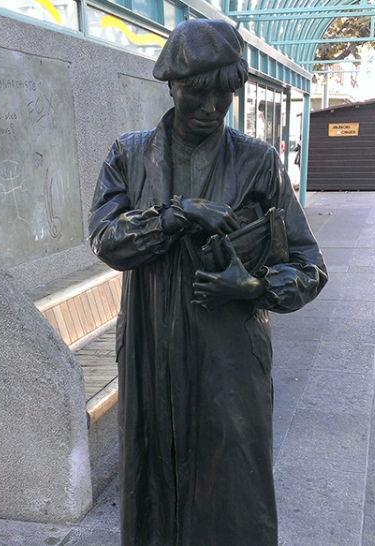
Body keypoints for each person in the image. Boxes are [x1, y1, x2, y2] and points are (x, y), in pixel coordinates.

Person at [88, 19, 328, 546]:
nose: (211, 107)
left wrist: (255, 287)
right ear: (173, 85)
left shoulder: (259, 163)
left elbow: (309, 264)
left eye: (223, 94)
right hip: (151, 353)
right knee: (153, 490)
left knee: (232, 497)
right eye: (198, 92)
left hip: (229, 362)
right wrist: (174, 215)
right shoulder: (130, 156)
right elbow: (106, 240)